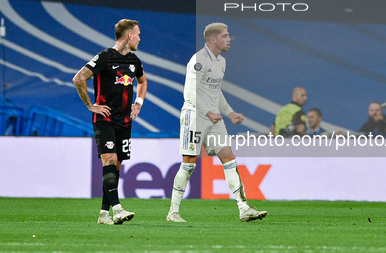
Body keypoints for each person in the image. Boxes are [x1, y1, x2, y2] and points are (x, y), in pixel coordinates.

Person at [167, 23, 267, 223]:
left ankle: (243, 208)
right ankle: (173, 212)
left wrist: (229, 112)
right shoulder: (198, 60)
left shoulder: (221, 61)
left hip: (214, 118)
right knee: (188, 165)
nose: (229, 39)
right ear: (213, 39)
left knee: (229, 158)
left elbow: (216, 90)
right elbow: (189, 92)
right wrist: (207, 112)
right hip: (195, 115)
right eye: (225, 35)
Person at [73, 19, 148, 225]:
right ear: (129, 36)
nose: (140, 38)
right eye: (138, 34)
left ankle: (104, 214)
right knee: (109, 161)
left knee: (116, 167)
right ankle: (118, 209)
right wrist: (91, 105)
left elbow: (142, 81)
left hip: (125, 121)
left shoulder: (134, 61)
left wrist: (138, 102)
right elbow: (79, 78)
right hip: (104, 119)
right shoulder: (105, 57)